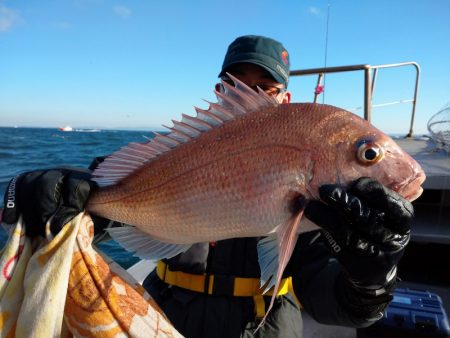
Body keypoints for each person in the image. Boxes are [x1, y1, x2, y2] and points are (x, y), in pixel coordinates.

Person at [2, 35, 413, 338]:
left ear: (285, 99)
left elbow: (336, 302)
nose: (249, 96)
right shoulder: (185, 150)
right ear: (219, 92)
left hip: (262, 326)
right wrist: (39, 188)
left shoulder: (332, 202)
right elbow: (97, 196)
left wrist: (372, 279)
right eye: (235, 84)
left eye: (265, 89)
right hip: (165, 311)